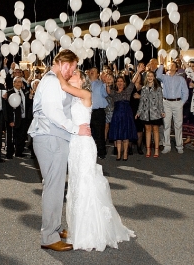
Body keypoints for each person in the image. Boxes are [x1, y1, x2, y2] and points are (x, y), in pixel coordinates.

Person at [56, 68, 136, 251]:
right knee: (76, 183)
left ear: (82, 80)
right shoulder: (72, 98)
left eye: (75, 74)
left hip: (84, 145)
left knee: (86, 184)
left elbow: (62, 84)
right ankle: (78, 227)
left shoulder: (85, 94)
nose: (72, 75)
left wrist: (57, 69)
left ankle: (91, 232)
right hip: (75, 144)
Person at [27, 49, 91, 252]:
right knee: (54, 187)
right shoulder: (52, 81)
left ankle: (54, 227)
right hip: (50, 137)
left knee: (54, 186)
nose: (72, 73)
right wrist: (75, 129)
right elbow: (52, 112)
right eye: (72, 68)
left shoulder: (55, 81)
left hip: (54, 138)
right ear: (65, 63)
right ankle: (49, 236)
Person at [152, 56, 189, 154]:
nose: (170, 65)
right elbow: (158, 75)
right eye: (169, 64)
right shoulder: (164, 77)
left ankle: (179, 146)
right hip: (166, 102)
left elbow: (185, 92)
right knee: (166, 124)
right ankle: (166, 146)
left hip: (177, 102)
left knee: (178, 125)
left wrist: (181, 103)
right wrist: (161, 64)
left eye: (173, 64)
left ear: (176, 68)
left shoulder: (180, 79)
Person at [107, 74, 140, 161]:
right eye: (118, 81)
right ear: (116, 83)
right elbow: (108, 91)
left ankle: (125, 153)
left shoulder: (127, 91)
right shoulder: (114, 93)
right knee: (118, 136)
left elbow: (132, 82)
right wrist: (107, 83)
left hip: (126, 115)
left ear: (124, 83)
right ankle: (118, 154)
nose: (120, 83)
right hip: (117, 116)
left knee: (126, 136)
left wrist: (138, 71)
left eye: (121, 81)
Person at [135, 70, 165, 158]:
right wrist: (138, 112)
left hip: (155, 112)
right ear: (146, 78)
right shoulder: (144, 88)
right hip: (145, 113)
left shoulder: (158, 88)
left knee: (155, 130)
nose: (150, 78)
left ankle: (156, 149)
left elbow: (160, 101)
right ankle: (148, 149)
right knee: (147, 130)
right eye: (148, 76)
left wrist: (162, 111)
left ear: (154, 77)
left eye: (151, 76)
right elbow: (141, 102)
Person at [5, 76, 31, 158]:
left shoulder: (25, 92)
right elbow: (7, 109)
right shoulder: (9, 93)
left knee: (21, 136)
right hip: (13, 118)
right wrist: (10, 120)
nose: (18, 83)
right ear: (13, 83)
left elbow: (27, 104)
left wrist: (30, 97)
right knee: (11, 137)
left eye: (19, 82)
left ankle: (19, 152)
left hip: (23, 118)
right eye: (16, 82)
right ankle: (9, 153)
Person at [87, 67, 108, 159]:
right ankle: (89, 152)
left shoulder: (101, 84)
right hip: (87, 112)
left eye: (94, 71)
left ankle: (101, 153)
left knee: (99, 133)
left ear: (98, 74)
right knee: (88, 134)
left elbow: (105, 94)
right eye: (90, 70)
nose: (91, 72)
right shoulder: (85, 84)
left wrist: (105, 84)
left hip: (98, 112)